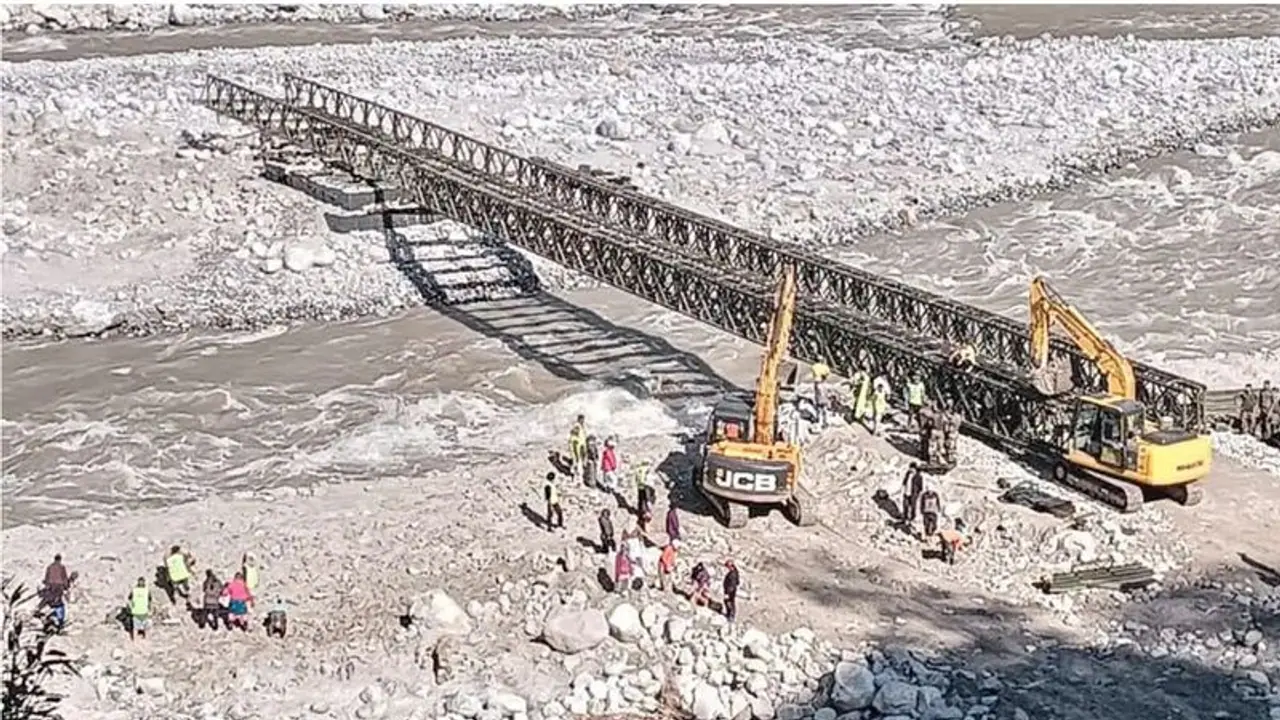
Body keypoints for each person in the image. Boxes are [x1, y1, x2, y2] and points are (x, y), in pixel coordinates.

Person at [40, 554, 71, 631]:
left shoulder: (49, 567)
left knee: (51, 601)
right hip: (59, 587)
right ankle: (59, 619)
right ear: (60, 559)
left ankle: (50, 617)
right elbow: (64, 578)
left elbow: (46, 577)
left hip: (51, 587)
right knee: (59, 603)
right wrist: (66, 586)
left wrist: (47, 584)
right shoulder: (62, 567)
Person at [128, 577, 152, 641]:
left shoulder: (134, 590)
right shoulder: (147, 591)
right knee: (146, 627)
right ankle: (146, 639)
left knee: (135, 627)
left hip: (136, 611)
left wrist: (131, 608)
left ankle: (134, 640)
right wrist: (149, 609)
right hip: (144, 611)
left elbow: (129, 599)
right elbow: (149, 601)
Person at [812, 361, 831, 428]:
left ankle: (819, 421)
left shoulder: (814, 366)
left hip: (817, 384)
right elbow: (828, 372)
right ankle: (825, 422)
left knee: (819, 408)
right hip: (824, 398)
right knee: (824, 409)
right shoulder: (825, 367)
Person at [568, 415, 588, 479]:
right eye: (581, 419)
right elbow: (573, 435)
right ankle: (574, 473)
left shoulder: (582, 426)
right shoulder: (577, 426)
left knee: (580, 458)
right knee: (576, 459)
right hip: (576, 445)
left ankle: (578, 471)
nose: (583, 421)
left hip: (581, 444)